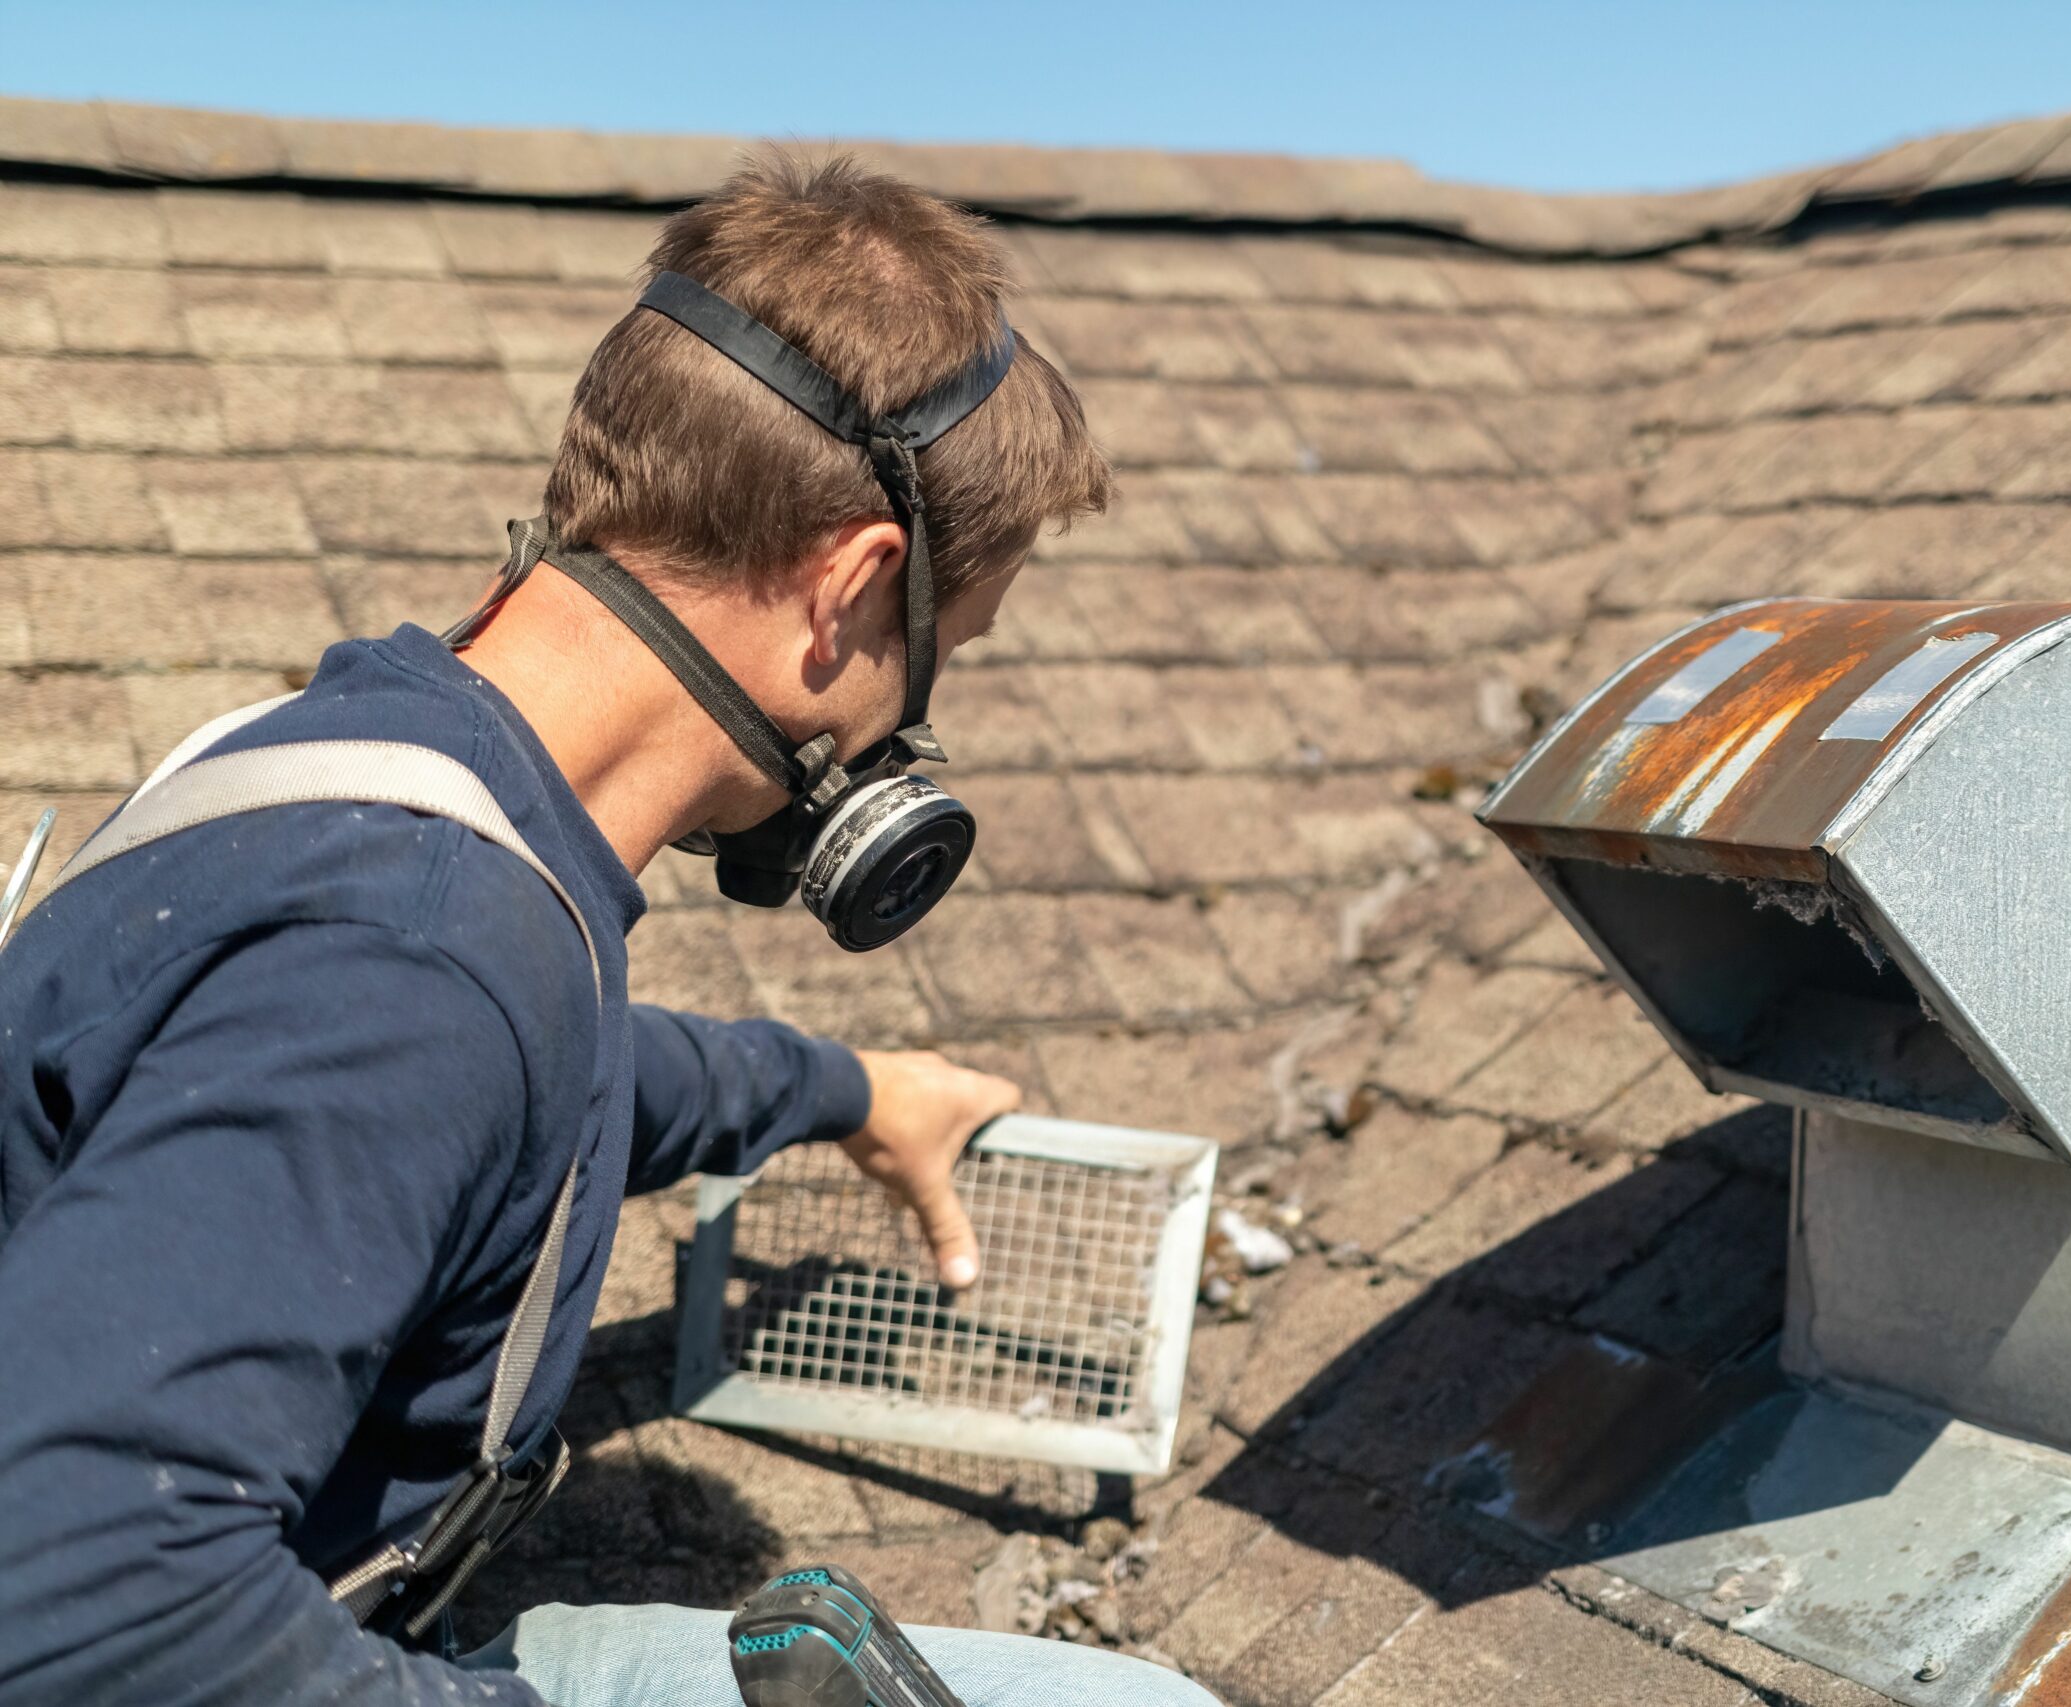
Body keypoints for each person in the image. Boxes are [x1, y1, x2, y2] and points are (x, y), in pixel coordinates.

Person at [0, 155, 1219, 1707]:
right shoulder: (419, 957)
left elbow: (546, 1085)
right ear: (852, 590)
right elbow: (73, 1604)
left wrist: (848, 1092)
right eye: (942, 653)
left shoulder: (393, 765)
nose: (919, 718)